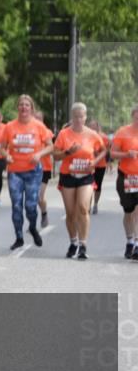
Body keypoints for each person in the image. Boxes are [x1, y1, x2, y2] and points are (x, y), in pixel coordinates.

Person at [53, 103, 106, 260]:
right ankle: (73, 242)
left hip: (86, 176)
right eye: (75, 116)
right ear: (72, 117)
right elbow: (55, 155)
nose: (78, 119)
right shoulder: (64, 134)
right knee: (70, 213)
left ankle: (83, 245)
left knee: (83, 208)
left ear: (85, 117)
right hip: (68, 175)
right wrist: (68, 152)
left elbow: (104, 150)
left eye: (81, 116)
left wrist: (94, 162)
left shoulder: (92, 134)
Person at [1, 95, 53, 250]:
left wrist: (39, 155)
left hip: (33, 171)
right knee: (16, 206)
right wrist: (7, 156)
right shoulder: (9, 127)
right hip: (15, 172)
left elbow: (51, 146)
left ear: (31, 108)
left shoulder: (39, 126)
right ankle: (19, 237)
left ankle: (32, 226)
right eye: (21, 105)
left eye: (27, 105)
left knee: (30, 205)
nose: (24, 107)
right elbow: (2, 148)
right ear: (18, 108)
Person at [110, 105, 138, 260]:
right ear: (133, 116)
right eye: (137, 116)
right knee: (129, 212)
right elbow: (112, 153)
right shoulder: (123, 132)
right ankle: (129, 241)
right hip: (126, 177)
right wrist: (127, 154)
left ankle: (137, 245)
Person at [35, 109, 55, 228]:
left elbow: (52, 148)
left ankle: (44, 213)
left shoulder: (48, 132)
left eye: (39, 119)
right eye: (35, 118)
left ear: (43, 120)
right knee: (32, 197)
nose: (37, 121)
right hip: (31, 168)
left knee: (39, 196)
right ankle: (33, 222)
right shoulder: (29, 131)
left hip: (45, 168)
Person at [90, 120, 111, 215]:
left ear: (98, 127)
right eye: (90, 127)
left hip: (101, 165)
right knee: (89, 185)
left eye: (93, 126)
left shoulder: (104, 137)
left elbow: (107, 151)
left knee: (97, 186)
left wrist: (108, 162)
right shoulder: (87, 136)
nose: (92, 128)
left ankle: (95, 204)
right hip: (89, 165)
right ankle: (87, 205)